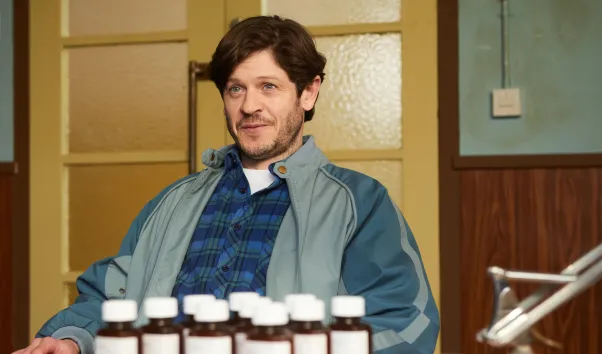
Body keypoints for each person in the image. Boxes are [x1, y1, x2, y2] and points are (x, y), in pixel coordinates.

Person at [14, 15, 440, 354]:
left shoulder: (359, 204)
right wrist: (72, 339)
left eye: (268, 87)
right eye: (236, 89)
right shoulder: (173, 202)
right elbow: (112, 296)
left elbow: (406, 321)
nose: (249, 106)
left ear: (308, 93)